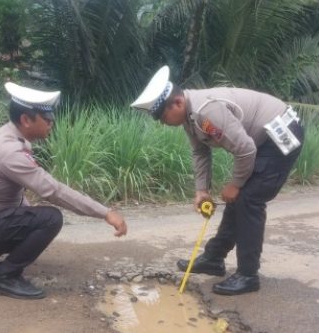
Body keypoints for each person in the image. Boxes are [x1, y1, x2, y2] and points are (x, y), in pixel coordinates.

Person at [0, 82, 127, 300]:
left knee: (31, 217)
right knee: (50, 219)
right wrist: (105, 212)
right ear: (26, 120)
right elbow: (53, 191)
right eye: (47, 119)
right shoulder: (9, 151)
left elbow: (12, 199)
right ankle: (6, 277)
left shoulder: (9, 137)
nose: (51, 124)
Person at [130, 66, 303, 295]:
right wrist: (201, 190)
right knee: (238, 199)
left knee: (248, 200)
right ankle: (214, 258)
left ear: (177, 103)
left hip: (281, 132)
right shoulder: (190, 117)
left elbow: (246, 149)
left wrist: (235, 185)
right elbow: (200, 152)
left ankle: (248, 275)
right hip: (262, 138)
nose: (162, 122)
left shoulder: (205, 112)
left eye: (162, 116)